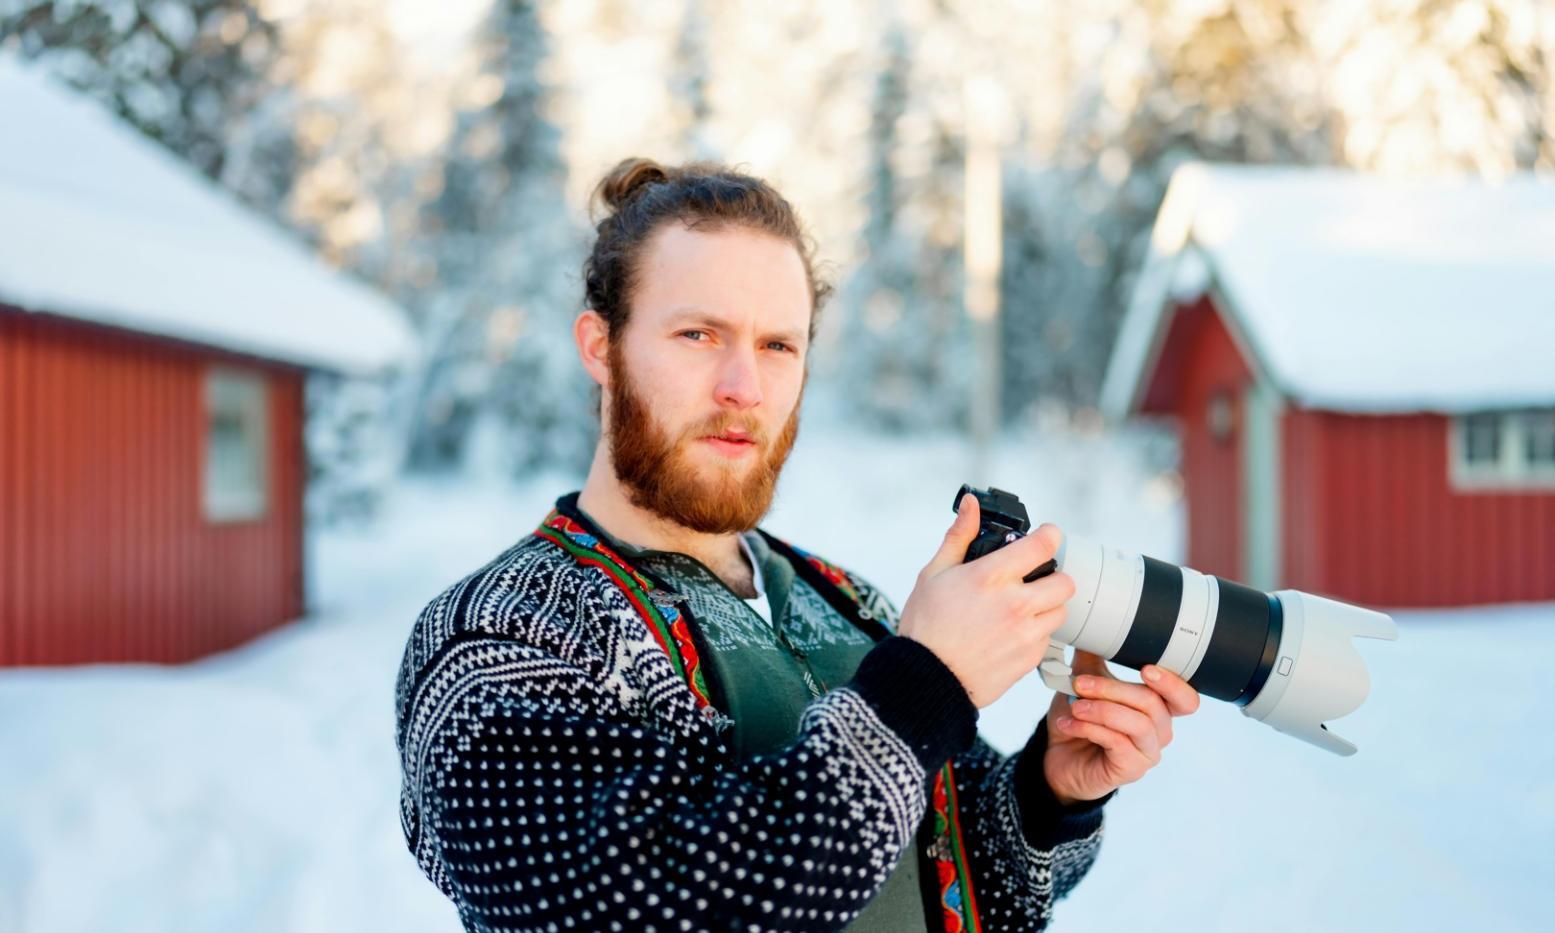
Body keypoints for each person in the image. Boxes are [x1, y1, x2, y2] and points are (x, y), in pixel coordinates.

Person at [394, 157, 1201, 933]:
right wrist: (924, 685)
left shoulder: (841, 599)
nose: (744, 387)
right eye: (699, 335)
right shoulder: (493, 635)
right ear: (601, 347)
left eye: (778, 345)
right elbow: (651, 907)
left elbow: (954, 875)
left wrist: (1048, 793)